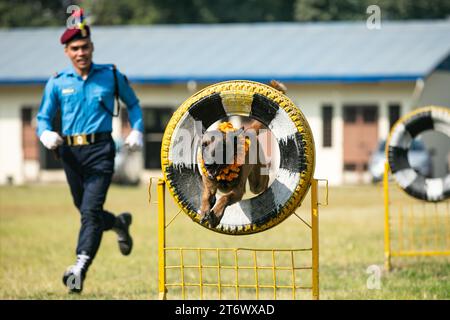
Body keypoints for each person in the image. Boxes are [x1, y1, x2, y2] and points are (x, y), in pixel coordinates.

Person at [36, 12, 144, 293]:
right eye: (75, 48)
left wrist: (137, 130)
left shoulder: (111, 76)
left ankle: (78, 269)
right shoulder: (57, 82)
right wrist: (45, 133)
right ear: (66, 51)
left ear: (92, 47)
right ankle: (119, 224)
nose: (80, 52)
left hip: (101, 150)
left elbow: (133, 104)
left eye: (85, 46)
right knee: (87, 212)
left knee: (89, 211)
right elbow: (43, 118)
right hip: (70, 154)